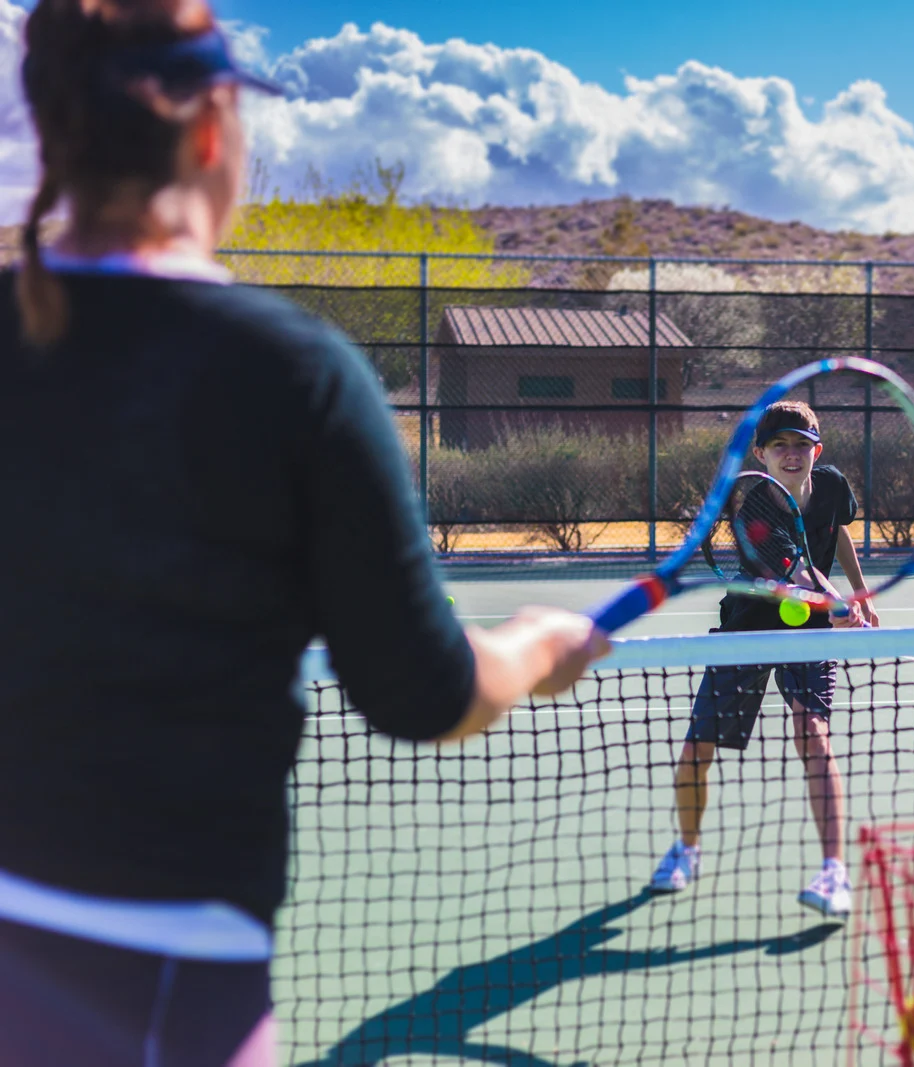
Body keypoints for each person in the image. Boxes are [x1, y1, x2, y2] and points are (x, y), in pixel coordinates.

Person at [0, 3, 607, 1064]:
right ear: (207, 132)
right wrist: (540, 646)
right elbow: (425, 692)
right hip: (161, 983)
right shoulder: (292, 373)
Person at [649, 401, 878, 918]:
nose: (792, 455)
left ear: (817, 450)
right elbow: (798, 573)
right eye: (781, 447)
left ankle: (833, 872)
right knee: (697, 750)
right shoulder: (754, 509)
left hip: (808, 630)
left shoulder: (834, 485)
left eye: (802, 445)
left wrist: (860, 591)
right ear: (762, 453)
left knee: (812, 736)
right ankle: (687, 849)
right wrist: (836, 603)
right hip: (748, 628)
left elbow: (835, 528)